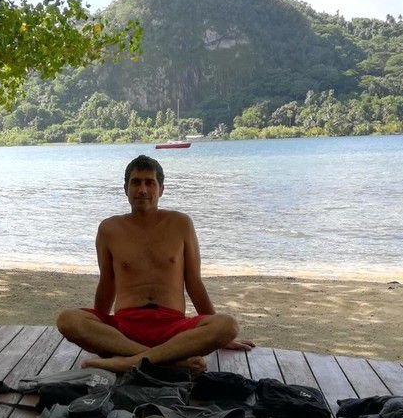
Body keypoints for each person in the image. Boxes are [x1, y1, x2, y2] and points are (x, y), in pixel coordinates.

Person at [56, 155, 254, 372]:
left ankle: (128, 361)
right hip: (125, 329)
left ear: (161, 189)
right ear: (125, 189)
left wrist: (221, 336)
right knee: (67, 320)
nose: (142, 189)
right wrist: (97, 326)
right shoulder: (109, 229)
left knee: (227, 325)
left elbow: (194, 283)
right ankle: (167, 360)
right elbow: (106, 284)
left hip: (173, 328)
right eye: (136, 182)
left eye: (150, 182)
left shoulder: (181, 224)